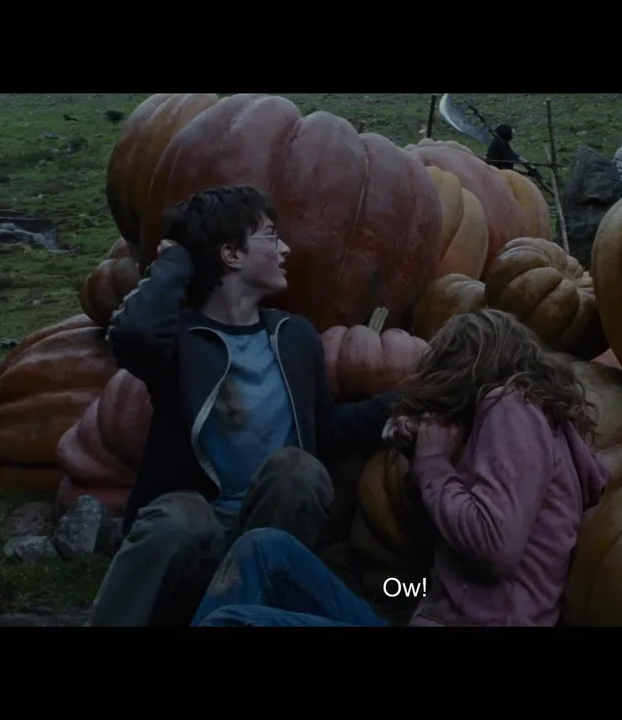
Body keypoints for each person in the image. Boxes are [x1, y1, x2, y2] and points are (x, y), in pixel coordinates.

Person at [88, 185, 398, 626]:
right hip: (195, 538)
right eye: (271, 236)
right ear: (231, 254)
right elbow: (134, 333)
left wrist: (401, 405)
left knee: (299, 470)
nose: (285, 248)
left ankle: (248, 610)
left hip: (265, 532)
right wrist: (176, 261)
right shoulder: (182, 341)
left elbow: (324, 428)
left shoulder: (294, 336)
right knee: (182, 516)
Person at [190, 308, 611, 627]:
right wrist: (418, 461)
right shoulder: (524, 427)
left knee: (232, 622)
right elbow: (444, 562)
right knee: (263, 549)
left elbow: (495, 546)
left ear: (464, 369)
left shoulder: (509, 405)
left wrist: (433, 462)